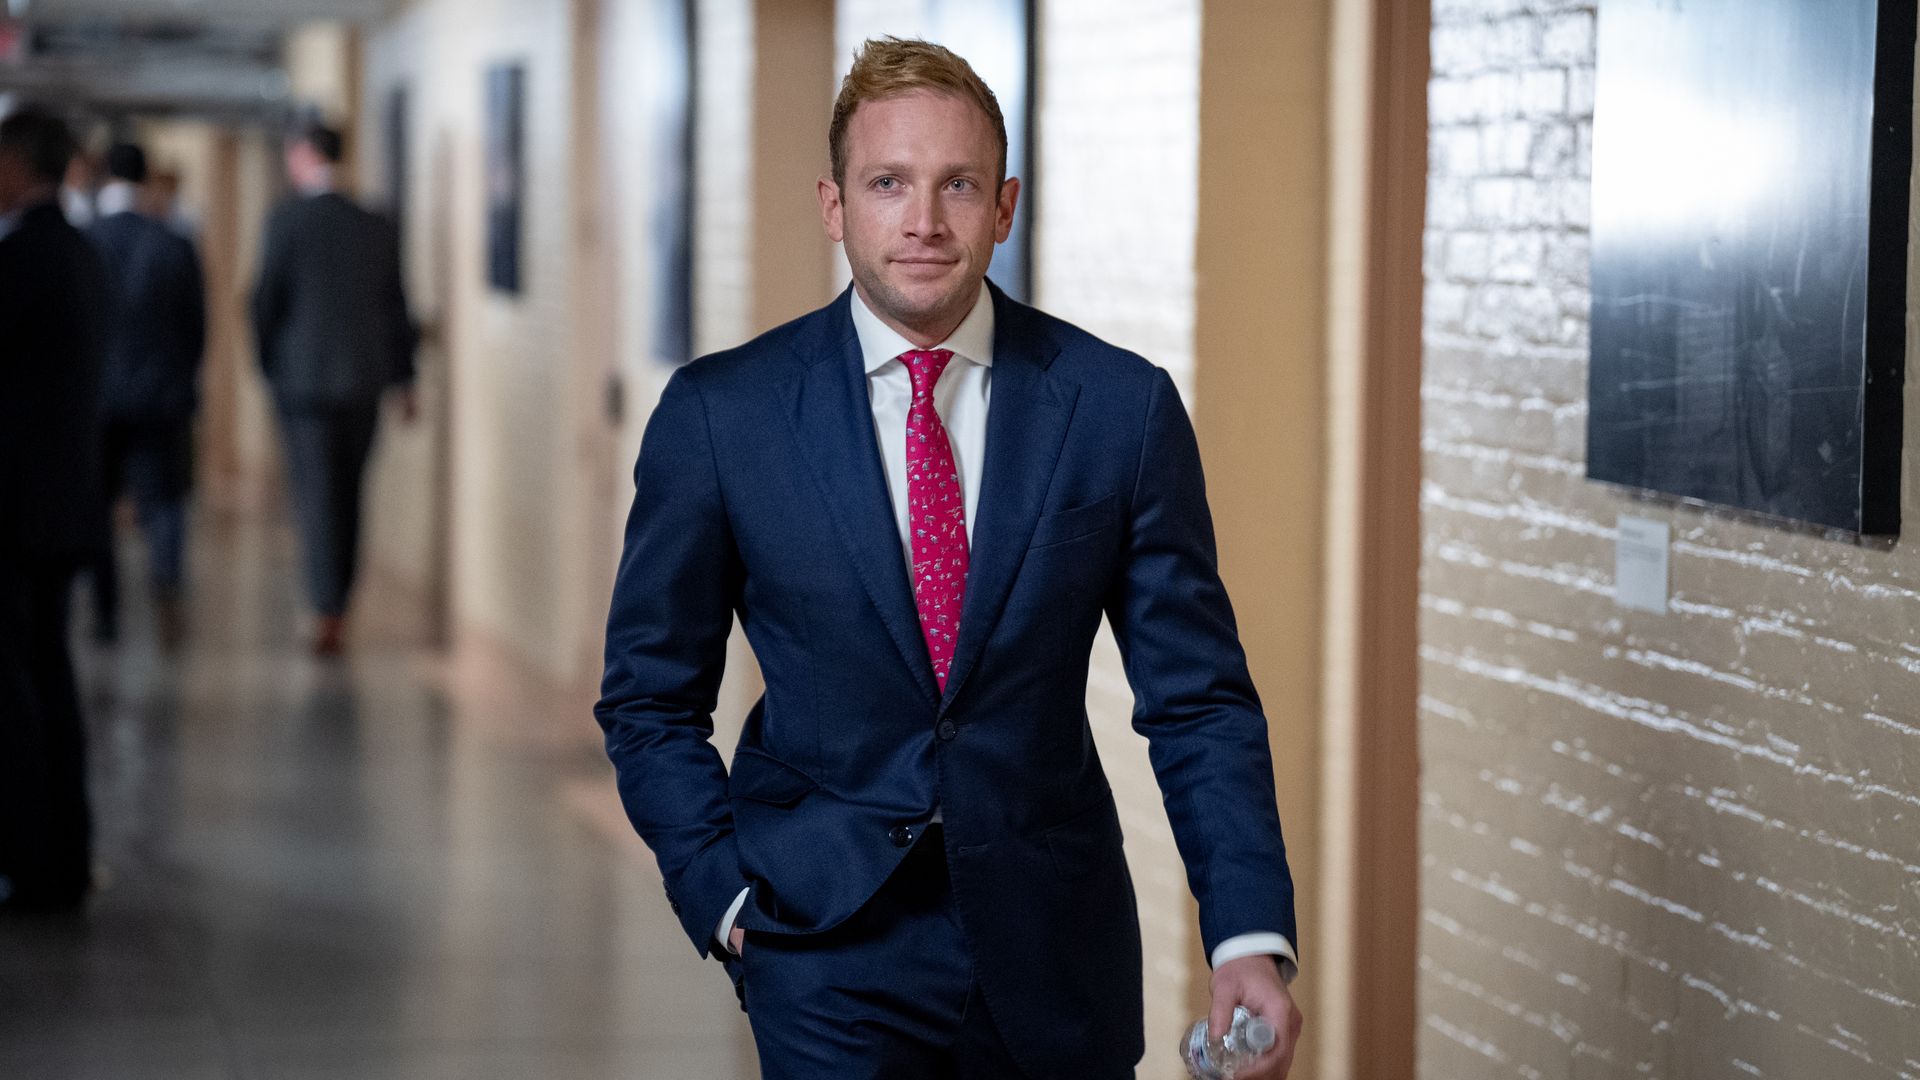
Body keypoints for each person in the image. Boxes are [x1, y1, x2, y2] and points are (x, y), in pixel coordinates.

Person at [597, 38, 1302, 1079]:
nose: (923, 222)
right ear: (836, 206)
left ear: (1004, 205)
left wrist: (1245, 933)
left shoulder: (1118, 410)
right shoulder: (722, 417)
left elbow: (1197, 700)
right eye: (889, 184)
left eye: (957, 185)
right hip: (822, 946)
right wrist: (724, 896)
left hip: (1057, 949)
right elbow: (649, 697)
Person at [0, 106, 110, 911]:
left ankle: (35, 861)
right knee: (48, 674)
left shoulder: (25, 258)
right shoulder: (79, 253)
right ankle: (61, 857)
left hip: (14, 510)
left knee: (18, 689)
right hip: (64, 503)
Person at [250, 122, 416, 657]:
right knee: (349, 494)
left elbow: (265, 301)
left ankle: (326, 609)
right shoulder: (375, 223)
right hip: (364, 382)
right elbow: (397, 306)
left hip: (303, 386)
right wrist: (404, 378)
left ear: (302, 156)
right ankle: (339, 600)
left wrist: (269, 366)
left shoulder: (286, 219)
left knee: (317, 496)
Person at [85, 142, 206, 647]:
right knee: (166, 502)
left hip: (97, 399)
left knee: (97, 504)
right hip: (163, 394)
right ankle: (166, 587)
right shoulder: (174, 245)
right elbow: (198, 327)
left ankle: (106, 609)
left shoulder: (84, 242)